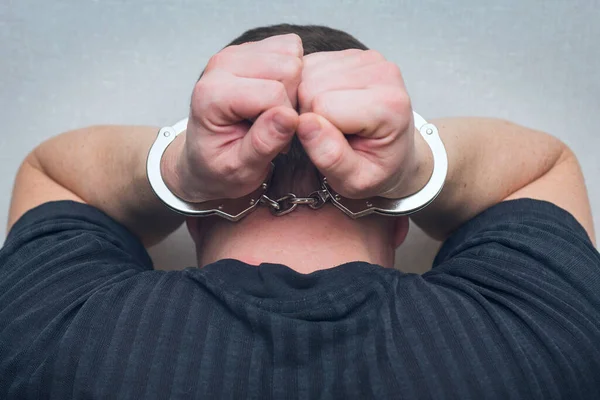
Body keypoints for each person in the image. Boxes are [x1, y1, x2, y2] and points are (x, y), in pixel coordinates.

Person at [1, 23, 599, 399]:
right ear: (398, 218)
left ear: (193, 214)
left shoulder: (58, 341)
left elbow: (55, 173)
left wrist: (180, 169)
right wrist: (415, 165)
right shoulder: (537, 338)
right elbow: (540, 168)